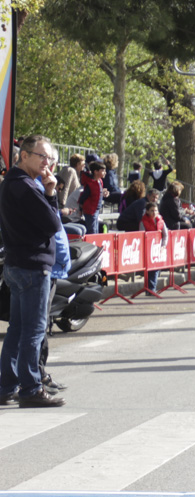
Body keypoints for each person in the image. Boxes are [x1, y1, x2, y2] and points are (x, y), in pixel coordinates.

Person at [0, 135, 66, 408]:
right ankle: (30, 387)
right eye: (41, 156)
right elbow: (53, 223)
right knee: (34, 329)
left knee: (18, 328)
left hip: (18, 263)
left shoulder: (14, 182)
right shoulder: (25, 185)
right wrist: (51, 194)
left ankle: (7, 385)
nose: (46, 162)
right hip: (31, 265)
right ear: (23, 155)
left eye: (49, 157)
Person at [140, 201, 168, 294]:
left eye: (156, 210)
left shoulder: (160, 221)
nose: (154, 213)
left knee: (155, 269)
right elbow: (142, 235)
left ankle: (152, 288)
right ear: (147, 211)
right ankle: (150, 289)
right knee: (150, 270)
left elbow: (165, 234)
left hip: (157, 249)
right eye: (152, 211)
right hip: (148, 249)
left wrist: (163, 245)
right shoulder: (143, 222)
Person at [78, 160, 107, 235]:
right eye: (103, 171)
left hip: (96, 209)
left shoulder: (100, 181)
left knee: (96, 229)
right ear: (96, 172)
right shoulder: (90, 184)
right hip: (90, 210)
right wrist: (81, 208)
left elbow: (98, 192)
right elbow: (84, 196)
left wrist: (104, 193)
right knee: (92, 230)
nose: (105, 173)